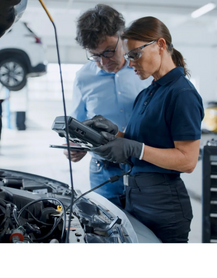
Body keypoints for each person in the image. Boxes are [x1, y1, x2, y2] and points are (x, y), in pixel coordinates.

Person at [88, 17, 204, 246]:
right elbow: (139, 142)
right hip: (135, 199)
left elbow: (187, 161)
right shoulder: (148, 92)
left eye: (134, 55)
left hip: (164, 207)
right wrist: (113, 134)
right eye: (128, 57)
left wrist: (134, 147)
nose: (130, 63)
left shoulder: (182, 94)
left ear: (160, 45)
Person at [64, 4, 152, 207]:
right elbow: (78, 125)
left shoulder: (146, 71)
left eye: (109, 52)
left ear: (123, 36)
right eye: (95, 55)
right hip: (103, 171)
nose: (103, 62)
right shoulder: (83, 77)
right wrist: (75, 146)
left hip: (145, 168)